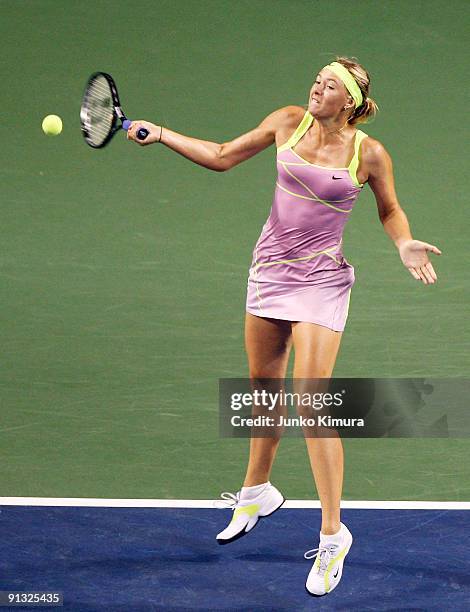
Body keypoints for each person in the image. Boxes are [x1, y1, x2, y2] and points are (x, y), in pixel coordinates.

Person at [127, 56, 442, 597]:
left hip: (322, 279)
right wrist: (160, 134)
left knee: (310, 401)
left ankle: (332, 535)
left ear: (350, 101)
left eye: (328, 86)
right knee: (263, 391)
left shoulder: (370, 153)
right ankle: (256, 491)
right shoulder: (287, 120)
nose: (316, 89)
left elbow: (389, 210)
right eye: (316, 81)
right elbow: (223, 156)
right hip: (269, 271)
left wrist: (403, 242)